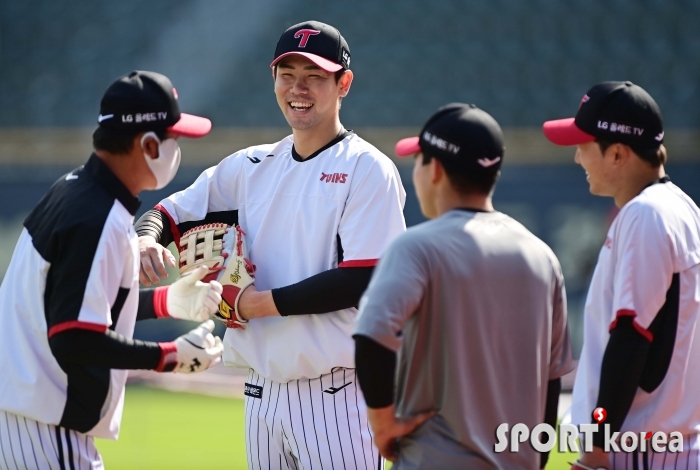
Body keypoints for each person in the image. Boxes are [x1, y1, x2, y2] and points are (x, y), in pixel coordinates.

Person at [135, 21, 406, 470]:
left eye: (314, 76)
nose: (298, 88)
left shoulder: (366, 168)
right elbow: (167, 214)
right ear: (273, 80)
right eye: (287, 74)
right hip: (261, 392)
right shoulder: (250, 165)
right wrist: (146, 241)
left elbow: (365, 278)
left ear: (344, 83)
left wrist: (250, 305)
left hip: (336, 393)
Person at [0, 71, 225, 470]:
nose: (177, 149)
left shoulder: (75, 189)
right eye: (174, 139)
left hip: (27, 416)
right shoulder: (97, 216)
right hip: (48, 427)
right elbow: (73, 337)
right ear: (150, 145)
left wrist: (163, 301)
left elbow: (72, 305)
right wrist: (168, 356)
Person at [353, 103, 574, 469]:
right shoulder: (542, 257)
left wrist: (383, 425)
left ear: (435, 169)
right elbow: (551, 380)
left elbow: (372, 338)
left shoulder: (417, 246)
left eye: (420, 161)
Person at [543, 81, 700, 469]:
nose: (578, 158)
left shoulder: (645, 214)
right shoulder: (681, 207)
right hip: (669, 443)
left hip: (641, 447)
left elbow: (633, 335)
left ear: (617, 153)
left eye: (584, 145)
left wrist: (597, 443)